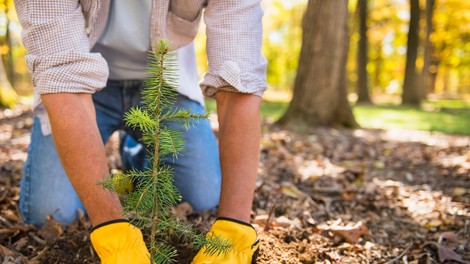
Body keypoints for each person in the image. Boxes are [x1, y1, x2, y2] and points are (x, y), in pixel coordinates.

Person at [14, 0, 266, 263]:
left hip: (164, 83)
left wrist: (234, 227)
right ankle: (126, 155)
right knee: (51, 212)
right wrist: (111, 230)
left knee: (201, 196)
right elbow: (63, 78)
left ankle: (133, 153)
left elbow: (240, 79)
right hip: (81, 84)